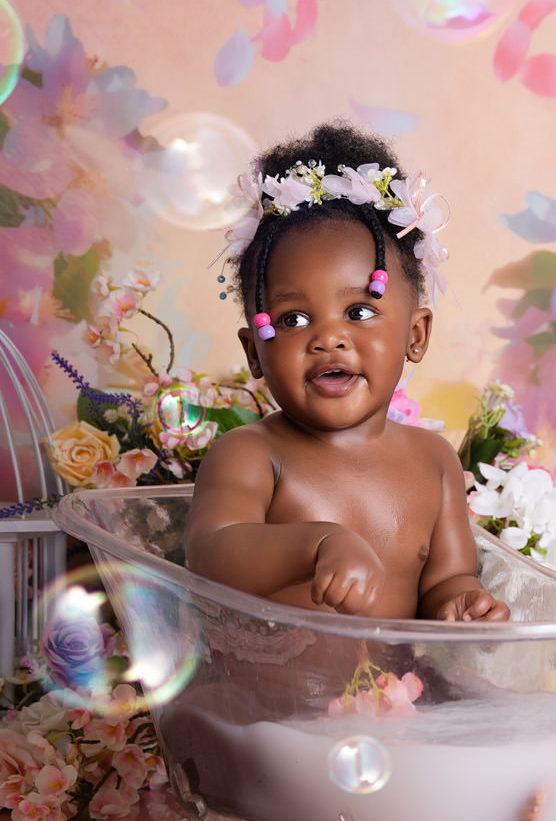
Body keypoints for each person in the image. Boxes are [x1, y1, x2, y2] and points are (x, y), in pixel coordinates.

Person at [186, 121, 509, 622]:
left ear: (416, 335)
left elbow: (448, 578)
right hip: (276, 697)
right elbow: (212, 553)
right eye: (293, 319)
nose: (328, 338)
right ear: (254, 354)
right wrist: (318, 545)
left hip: (400, 697)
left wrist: (460, 602)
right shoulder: (250, 455)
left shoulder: (434, 462)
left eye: (359, 312)